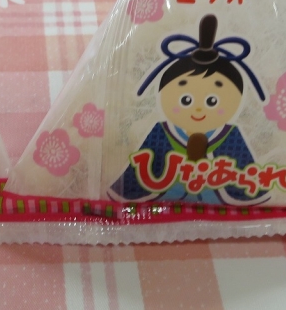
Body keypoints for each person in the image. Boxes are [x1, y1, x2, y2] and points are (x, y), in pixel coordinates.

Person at [110, 14, 267, 204]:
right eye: (186, 100)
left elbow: (247, 182)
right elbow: (133, 182)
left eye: (212, 101)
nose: (199, 109)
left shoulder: (231, 137)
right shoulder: (160, 132)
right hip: (166, 205)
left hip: (216, 206)